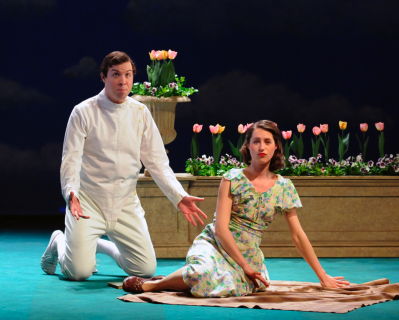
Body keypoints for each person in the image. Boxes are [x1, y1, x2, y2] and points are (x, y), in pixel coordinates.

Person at [122, 120, 349, 296]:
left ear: (276, 146)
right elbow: (221, 228)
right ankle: (154, 285)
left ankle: (181, 278)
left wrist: (322, 276)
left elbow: (298, 235)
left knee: (228, 288)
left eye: (267, 141)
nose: (261, 147)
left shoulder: (284, 187)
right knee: (202, 275)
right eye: (256, 141)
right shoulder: (232, 178)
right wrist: (243, 266)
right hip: (217, 242)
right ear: (247, 146)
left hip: (250, 250)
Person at [40, 51, 207, 281]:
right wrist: (71, 193)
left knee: (144, 269)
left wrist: (179, 196)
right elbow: (71, 159)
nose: (123, 81)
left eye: (128, 75)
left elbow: (157, 162)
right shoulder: (83, 111)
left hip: (125, 202)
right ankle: (60, 241)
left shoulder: (140, 112)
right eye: (116, 74)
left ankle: (97, 245)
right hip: (88, 202)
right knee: (78, 273)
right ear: (103, 77)